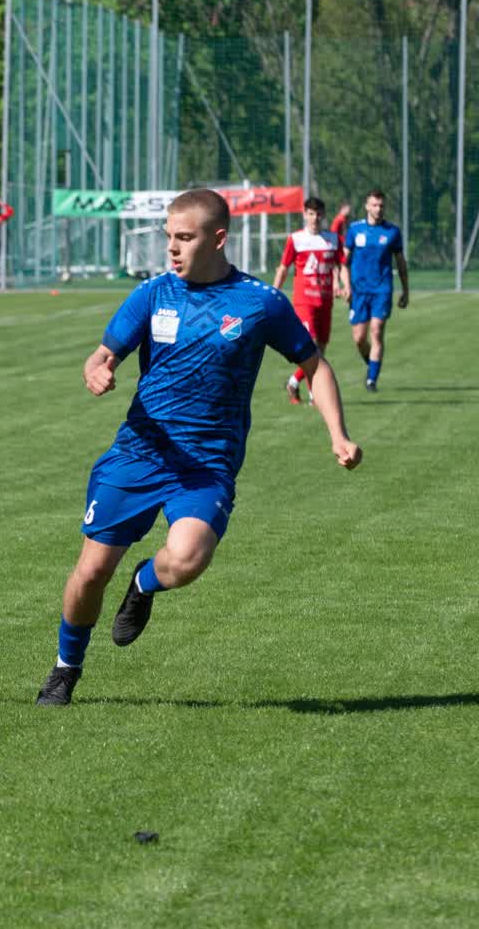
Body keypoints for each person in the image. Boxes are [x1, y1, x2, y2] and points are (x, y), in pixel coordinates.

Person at [35, 189, 361, 707]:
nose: (172, 247)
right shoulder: (153, 293)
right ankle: (65, 668)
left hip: (207, 464)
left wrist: (337, 434)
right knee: (91, 572)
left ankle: (144, 583)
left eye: (184, 237)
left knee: (188, 559)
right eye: (169, 236)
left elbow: (315, 366)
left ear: (218, 238)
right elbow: (101, 355)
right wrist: (96, 371)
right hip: (139, 453)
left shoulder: (259, 302)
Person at [272, 196, 349, 405]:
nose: (315, 218)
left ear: (323, 216)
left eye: (318, 214)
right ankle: (315, 395)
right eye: (311, 214)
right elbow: (283, 268)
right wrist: (273, 293)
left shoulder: (332, 239)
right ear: (305, 215)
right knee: (311, 347)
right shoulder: (296, 239)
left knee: (320, 350)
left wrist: (346, 286)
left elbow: (341, 266)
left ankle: (293, 382)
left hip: (325, 302)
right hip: (304, 302)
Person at [343, 190, 408, 391]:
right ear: (367, 206)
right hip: (359, 291)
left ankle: (372, 380)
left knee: (377, 331)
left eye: (381, 205)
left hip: (382, 290)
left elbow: (401, 262)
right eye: (374, 205)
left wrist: (405, 290)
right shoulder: (355, 230)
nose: (378, 209)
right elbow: (344, 263)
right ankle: (372, 363)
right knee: (359, 338)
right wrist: (345, 286)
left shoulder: (392, 232)